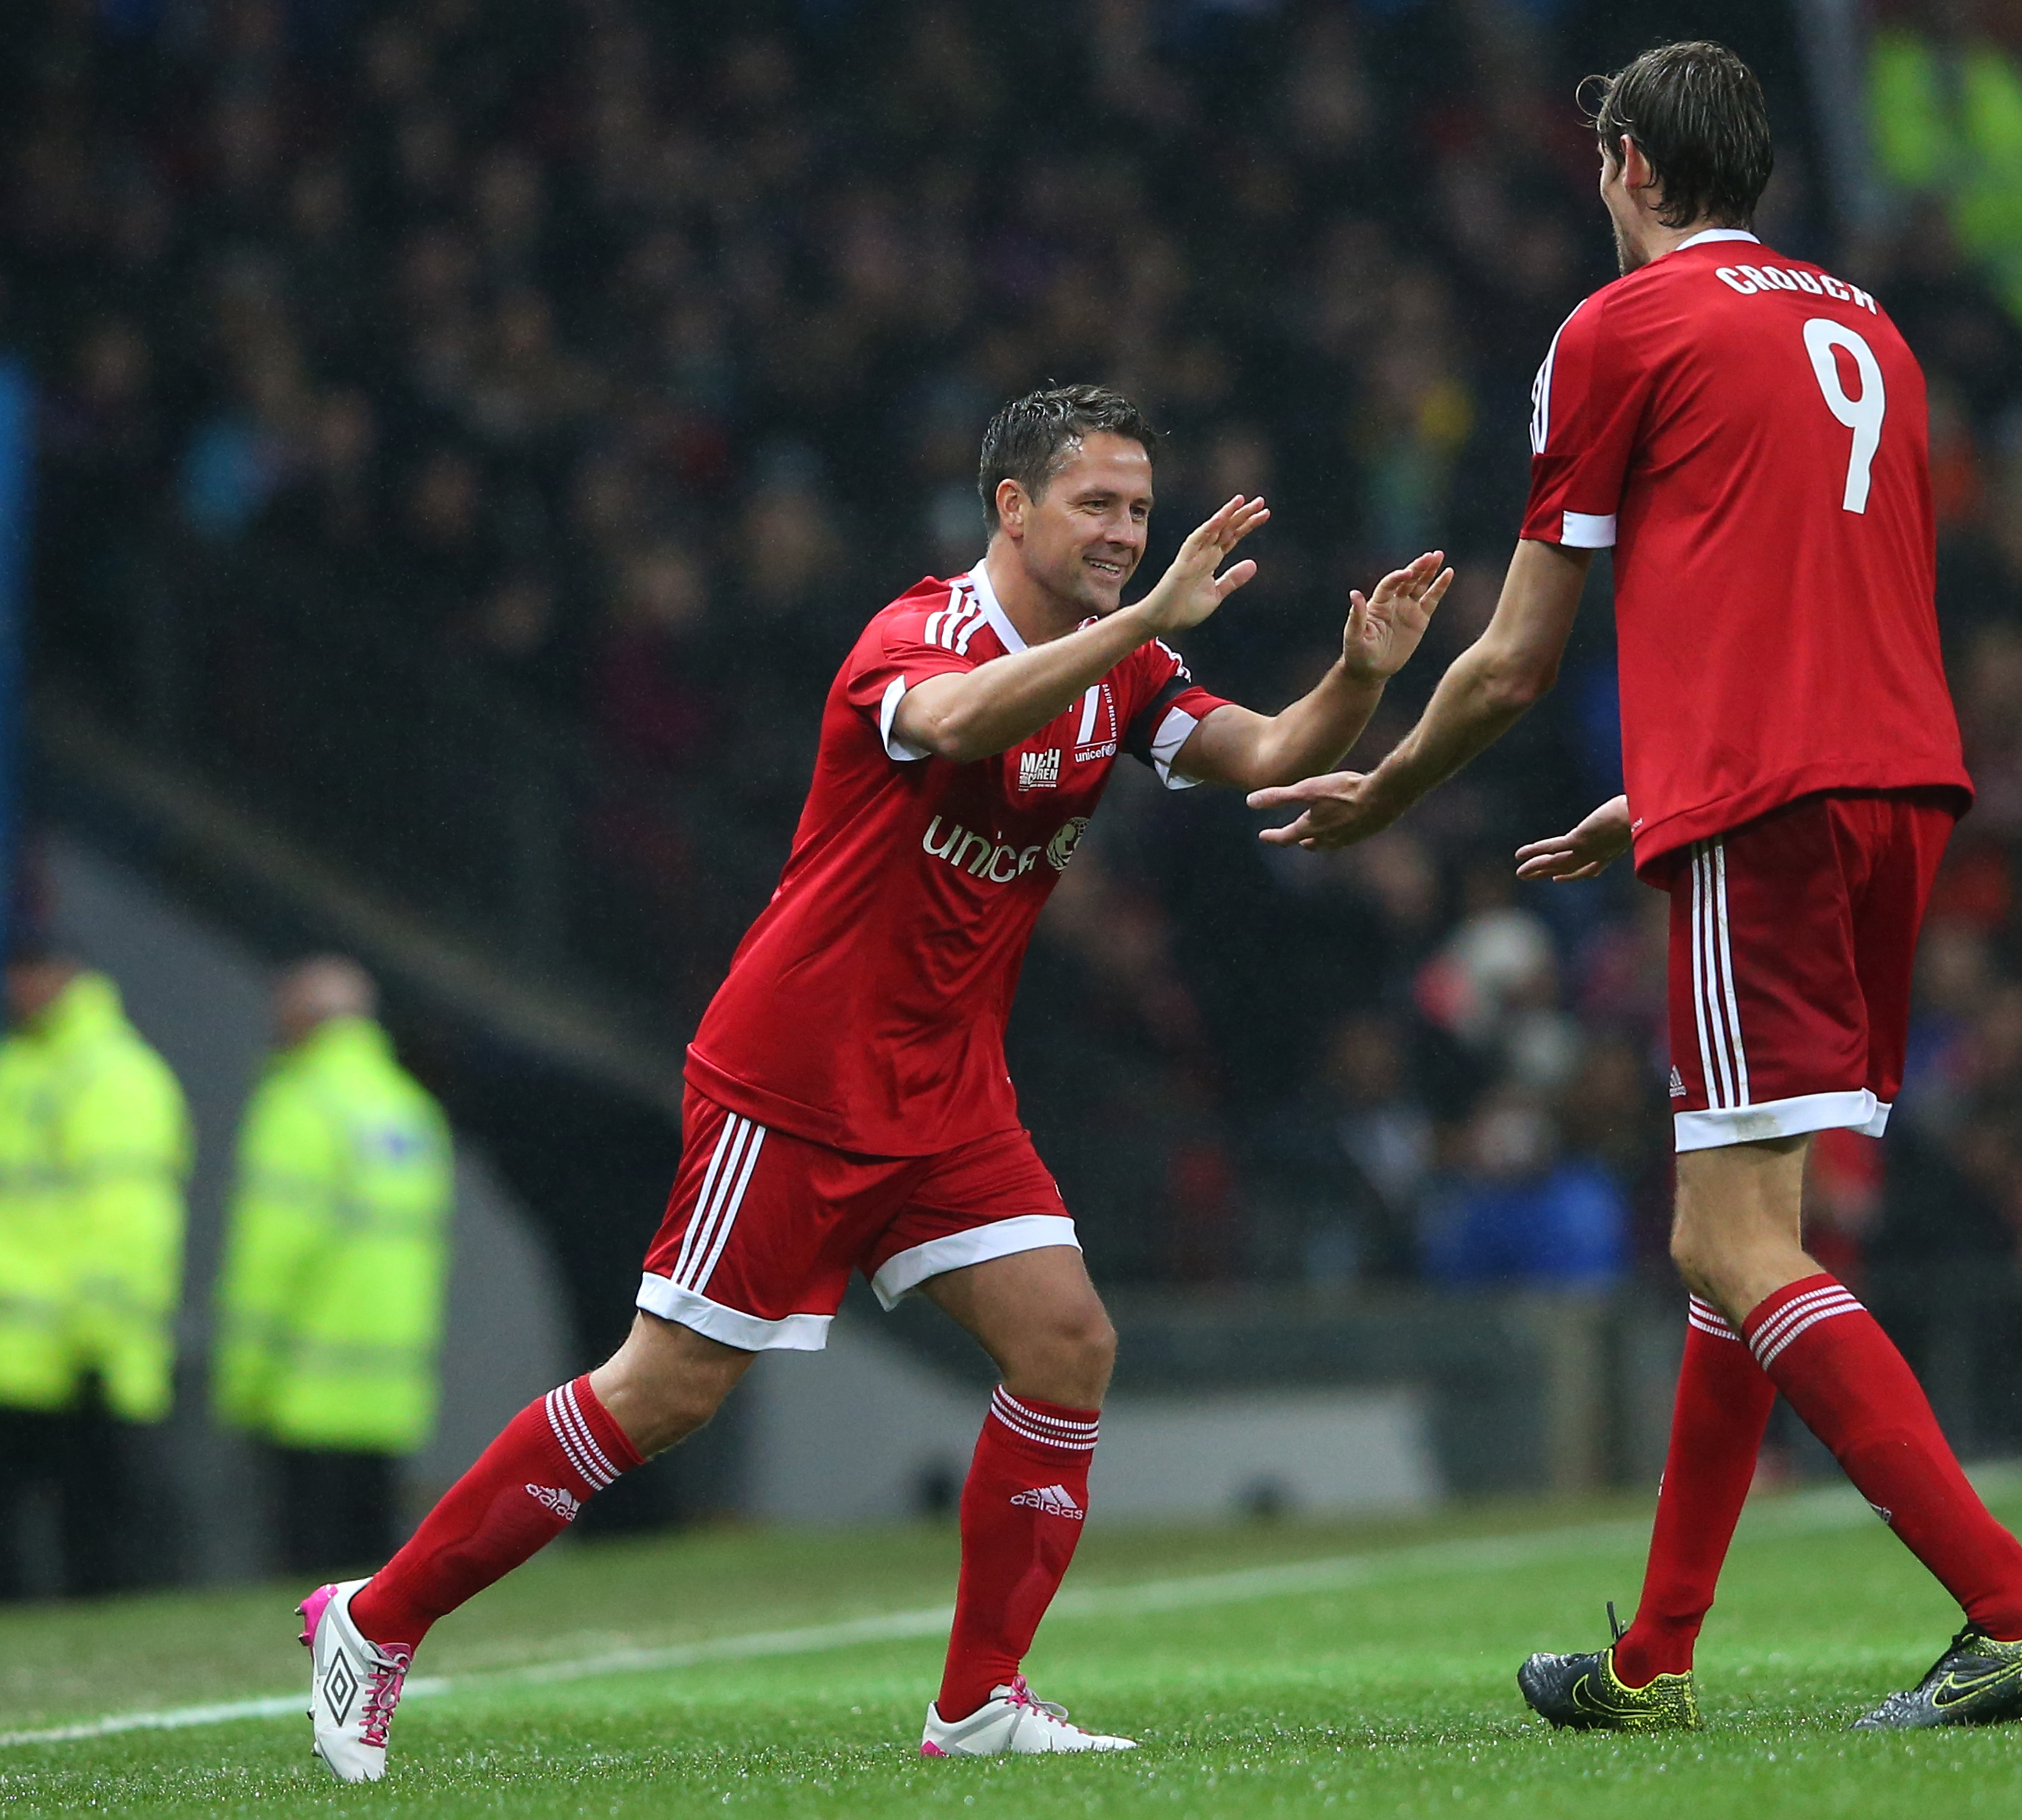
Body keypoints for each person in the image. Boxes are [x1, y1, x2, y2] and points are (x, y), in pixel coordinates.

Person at [294, 384, 1454, 1780]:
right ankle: (375, 1618)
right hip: (796, 1078)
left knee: (1066, 1343)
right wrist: (1140, 622)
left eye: (1141, 510)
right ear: (1011, 507)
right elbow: (957, 725)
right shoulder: (917, 637)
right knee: (666, 1391)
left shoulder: (1127, 670)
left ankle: (977, 1705)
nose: (1125, 532)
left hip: (947, 1088)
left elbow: (1269, 752)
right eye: (1096, 503)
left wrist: (1363, 676)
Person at [1252, 41, 2022, 1732]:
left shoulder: (1620, 330)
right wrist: (1665, 785)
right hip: (1890, 791)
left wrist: (1388, 791)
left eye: (1601, 160)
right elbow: (1822, 599)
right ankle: (1656, 1660)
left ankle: (2014, 1615)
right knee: (1743, 1236)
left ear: (1633, 165)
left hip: (1769, 812)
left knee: (1726, 1237)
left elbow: (1511, 661)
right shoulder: (1868, 325)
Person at [213, 957, 455, 1575]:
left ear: (304, 1019)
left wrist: (244, 1378)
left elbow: (273, 1256)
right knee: (375, 1575)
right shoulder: (410, 1110)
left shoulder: (300, 1106)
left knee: (308, 1573)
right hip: (391, 1389)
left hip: (304, 1386)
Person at [0, 948, 192, 1598]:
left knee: (97, 1529)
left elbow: (125, 1218)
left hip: (79, 1347)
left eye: (25, 972)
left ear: (63, 976)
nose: (15, 989)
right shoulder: (23, 1067)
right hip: (24, 1349)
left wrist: (101, 1334)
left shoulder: (110, 1074)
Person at [1867, 0, 2022, 355]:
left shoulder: (2014, 87)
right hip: (1949, 294)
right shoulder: (1894, 69)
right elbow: (1914, 201)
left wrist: (1961, 232)